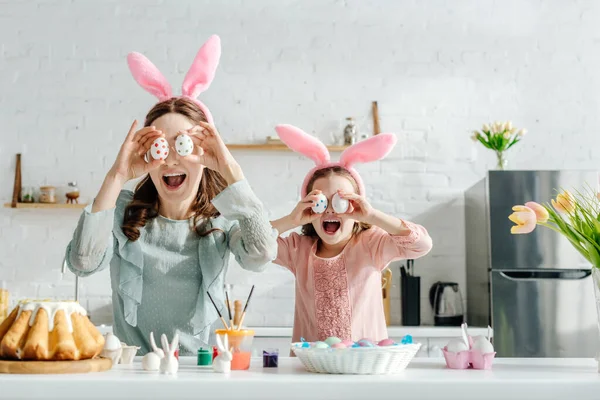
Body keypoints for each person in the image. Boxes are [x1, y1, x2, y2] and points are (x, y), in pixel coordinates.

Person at [65, 36, 276, 355]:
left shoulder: (224, 216)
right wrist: (116, 175)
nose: (172, 159)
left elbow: (261, 254)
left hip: (202, 372)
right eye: (160, 145)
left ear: (205, 151)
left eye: (183, 144)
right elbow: (82, 262)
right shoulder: (123, 212)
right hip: (133, 374)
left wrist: (229, 167)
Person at [270, 124, 432, 343]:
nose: (329, 209)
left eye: (340, 201)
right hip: (312, 369)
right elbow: (247, 243)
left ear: (355, 206)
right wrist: (291, 220)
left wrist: (372, 216)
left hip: (365, 367)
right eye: (320, 201)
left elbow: (421, 244)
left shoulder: (371, 244)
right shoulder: (298, 249)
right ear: (309, 207)